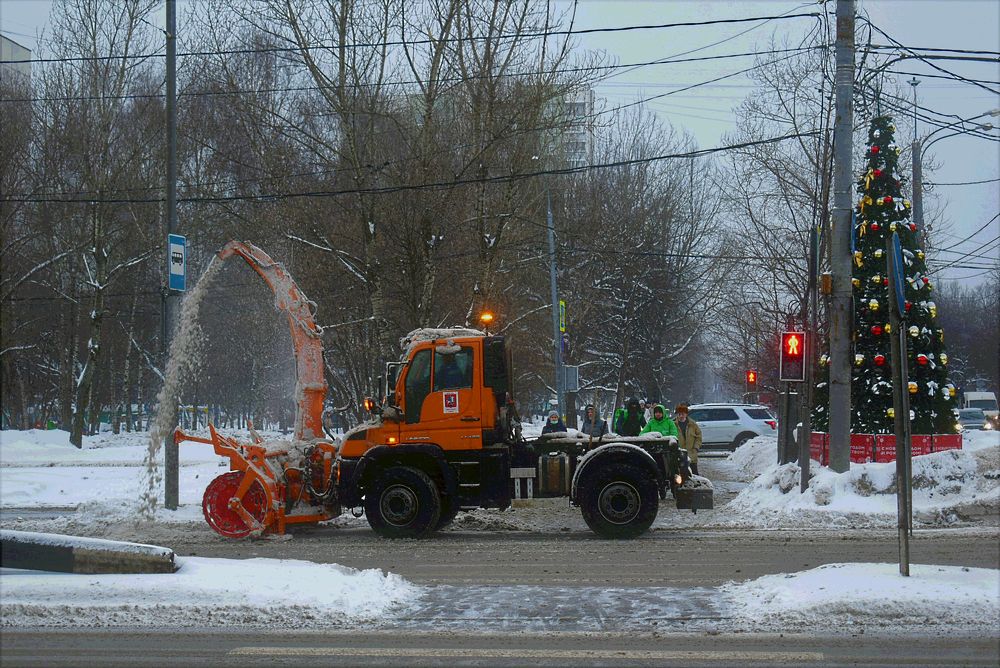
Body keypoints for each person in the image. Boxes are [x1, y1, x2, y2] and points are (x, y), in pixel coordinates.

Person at [674, 403, 702, 475]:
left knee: (694, 473)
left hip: (691, 452)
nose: (681, 416)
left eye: (682, 414)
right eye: (679, 414)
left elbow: (699, 437)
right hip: (679, 454)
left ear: (686, 414)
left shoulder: (693, 424)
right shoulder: (673, 424)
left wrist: (696, 448)